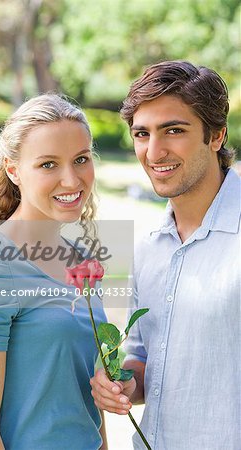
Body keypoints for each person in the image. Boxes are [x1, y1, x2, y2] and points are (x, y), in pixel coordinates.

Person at [90, 61, 241, 449]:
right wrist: (124, 384)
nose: (154, 152)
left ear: (216, 135)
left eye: (174, 130)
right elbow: (144, 358)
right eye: (142, 134)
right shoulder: (147, 247)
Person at [0, 94, 108, 450]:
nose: (71, 180)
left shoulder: (81, 262)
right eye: (48, 164)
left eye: (81, 159)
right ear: (13, 170)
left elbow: (87, 409)